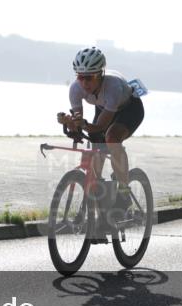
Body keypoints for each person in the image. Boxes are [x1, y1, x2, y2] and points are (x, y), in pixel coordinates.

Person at [57, 47, 145, 220]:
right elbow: (80, 122)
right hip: (104, 108)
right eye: (80, 77)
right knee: (95, 158)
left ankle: (124, 192)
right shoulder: (75, 89)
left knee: (111, 138)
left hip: (129, 109)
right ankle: (101, 215)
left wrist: (82, 124)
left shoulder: (112, 86)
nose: (84, 83)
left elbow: (100, 126)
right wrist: (71, 122)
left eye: (89, 78)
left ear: (100, 74)